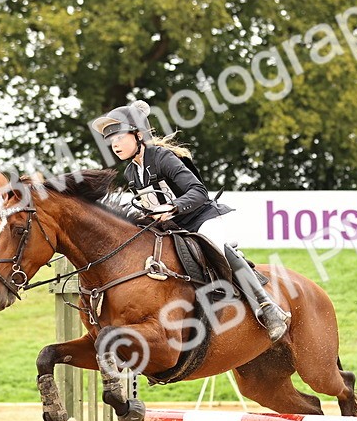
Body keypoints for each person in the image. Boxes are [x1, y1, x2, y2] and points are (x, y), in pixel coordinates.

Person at [89, 100, 290, 342]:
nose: (115, 144)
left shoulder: (163, 158)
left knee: (220, 248)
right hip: (174, 229)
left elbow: (198, 191)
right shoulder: (132, 172)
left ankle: (268, 308)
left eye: (120, 137)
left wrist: (173, 207)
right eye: (111, 140)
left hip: (200, 218)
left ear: (139, 135)